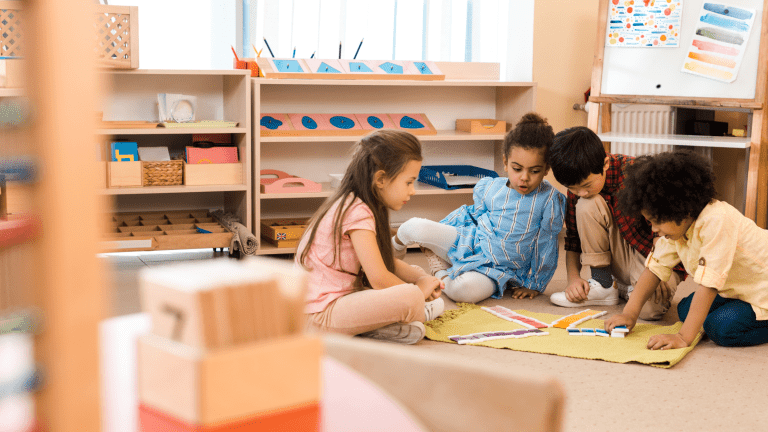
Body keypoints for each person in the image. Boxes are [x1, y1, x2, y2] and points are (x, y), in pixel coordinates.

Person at [391, 113, 566, 303]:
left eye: (534, 171)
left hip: (499, 270)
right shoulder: (491, 187)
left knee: (463, 291)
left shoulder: (549, 199)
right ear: (506, 162)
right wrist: (440, 230)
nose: (524, 177)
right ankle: (388, 255)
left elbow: (547, 244)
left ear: (546, 168)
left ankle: (438, 271)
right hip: (470, 243)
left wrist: (535, 284)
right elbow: (468, 215)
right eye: (517, 169)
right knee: (413, 227)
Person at [605, 150, 768, 349]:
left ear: (683, 209)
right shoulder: (678, 227)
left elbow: (709, 286)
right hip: (740, 290)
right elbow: (654, 269)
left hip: (763, 293)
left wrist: (683, 337)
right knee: (685, 309)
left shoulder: (717, 221)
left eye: (657, 222)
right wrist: (629, 314)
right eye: (650, 221)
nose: (654, 229)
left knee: (720, 327)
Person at [296, 130, 444, 345]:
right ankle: (412, 313)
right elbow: (379, 278)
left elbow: (383, 263)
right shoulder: (357, 211)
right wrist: (419, 291)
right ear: (381, 179)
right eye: (409, 182)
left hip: (334, 304)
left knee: (417, 276)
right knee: (411, 296)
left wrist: (421, 279)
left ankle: (378, 328)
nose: (413, 191)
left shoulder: (357, 203)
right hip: (320, 315)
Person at [547, 127, 685, 320]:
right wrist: (573, 279)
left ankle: (626, 288)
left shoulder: (637, 174)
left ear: (605, 163)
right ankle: (603, 284)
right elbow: (573, 239)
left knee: (648, 310)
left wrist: (659, 269)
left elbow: (663, 233)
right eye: (573, 189)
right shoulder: (579, 189)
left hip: (653, 254)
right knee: (586, 204)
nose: (580, 193)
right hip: (620, 254)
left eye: (586, 186)